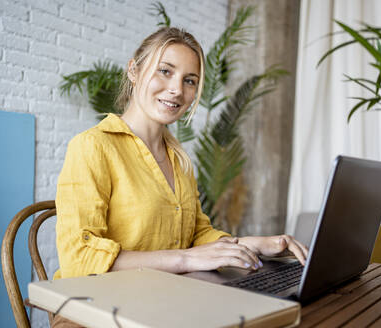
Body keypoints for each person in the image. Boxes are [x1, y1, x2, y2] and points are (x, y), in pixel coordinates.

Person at [52, 27, 308, 327]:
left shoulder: (178, 159)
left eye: (189, 81)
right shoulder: (93, 146)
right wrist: (185, 259)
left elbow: (197, 234)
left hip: (163, 299)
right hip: (94, 310)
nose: (177, 90)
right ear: (134, 71)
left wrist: (251, 244)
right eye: (165, 71)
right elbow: (79, 258)